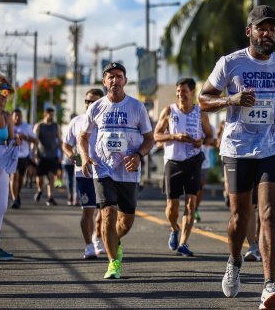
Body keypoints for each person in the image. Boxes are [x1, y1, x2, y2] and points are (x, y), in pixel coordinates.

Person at [199, 5, 275, 309]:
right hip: (237, 149)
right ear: (249, 31)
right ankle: (234, 260)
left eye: (272, 28)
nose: (268, 34)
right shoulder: (230, 63)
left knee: (268, 214)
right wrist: (232, 99)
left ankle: (269, 286)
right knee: (241, 217)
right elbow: (203, 99)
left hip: (271, 147)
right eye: (261, 28)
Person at [78, 62, 154, 279]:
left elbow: (149, 139)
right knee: (108, 214)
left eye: (119, 76)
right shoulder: (96, 107)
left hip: (128, 171)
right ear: (104, 82)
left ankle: (115, 241)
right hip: (102, 169)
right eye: (110, 77)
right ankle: (113, 263)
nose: (114, 80)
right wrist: (85, 157)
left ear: (125, 81)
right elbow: (83, 136)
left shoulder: (137, 107)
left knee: (126, 221)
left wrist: (138, 156)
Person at [154, 78, 213, 257]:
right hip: (173, 161)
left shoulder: (200, 112)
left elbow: (210, 138)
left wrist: (200, 141)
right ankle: (174, 228)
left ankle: (184, 243)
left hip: (194, 161)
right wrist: (174, 136)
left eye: (184, 91)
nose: (180, 94)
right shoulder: (169, 111)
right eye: (178, 90)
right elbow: (156, 135)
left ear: (192, 92)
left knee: (191, 203)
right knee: (172, 208)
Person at [63, 88, 106, 260]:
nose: (89, 104)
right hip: (84, 172)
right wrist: (72, 155)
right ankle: (89, 245)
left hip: (104, 172)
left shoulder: (106, 121)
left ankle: (98, 236)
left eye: (94, 101)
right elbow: (66, 144)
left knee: (104, 211)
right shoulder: (77, 121)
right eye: (87, 101)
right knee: (88, 211)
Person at [0, 74, 16, 260]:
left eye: (8, 92)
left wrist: (17, 141)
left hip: (2, 161)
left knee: (1, 206)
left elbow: (12, 138)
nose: (6, 95)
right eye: (3, 91)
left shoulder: (7, 116)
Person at [33, 106, 62, 206]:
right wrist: (34, 153)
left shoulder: (56, 126)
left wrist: (60, 154)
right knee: (39, 177)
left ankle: (50, 197)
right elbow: (34, 141)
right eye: (50, 115)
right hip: (42, 156)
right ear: (45, 115)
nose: (51, 117)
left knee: (51, 176)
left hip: (53, 155)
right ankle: (40, 190)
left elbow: (60, 141)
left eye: (52, 115)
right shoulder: (39, 126)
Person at [10, 109, 37, 209]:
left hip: (24, 156)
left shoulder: (27, 127)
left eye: (19, 116)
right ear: (12, 117)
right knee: (13, 176)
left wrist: (25, 137)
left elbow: (35, 140)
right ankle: (14, 199)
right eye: (15, 116)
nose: (17, 118)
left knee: (21, 178)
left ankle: (17, 194)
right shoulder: (9, 126)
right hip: (12, 156)